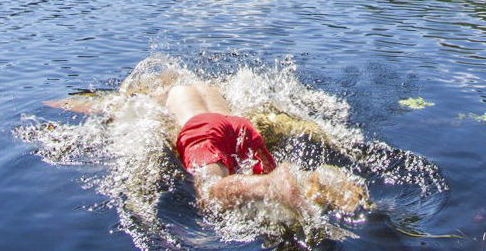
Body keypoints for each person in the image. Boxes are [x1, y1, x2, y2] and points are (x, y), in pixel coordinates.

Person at [46, 75, 365, 215]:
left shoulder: (162, 92)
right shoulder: (210, 87)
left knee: (211, 193)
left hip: (201, 130)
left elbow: (114, 107)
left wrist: (61, 104)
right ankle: (313, 184)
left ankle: (275, 183)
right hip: (240, 125)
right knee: (274, 200)